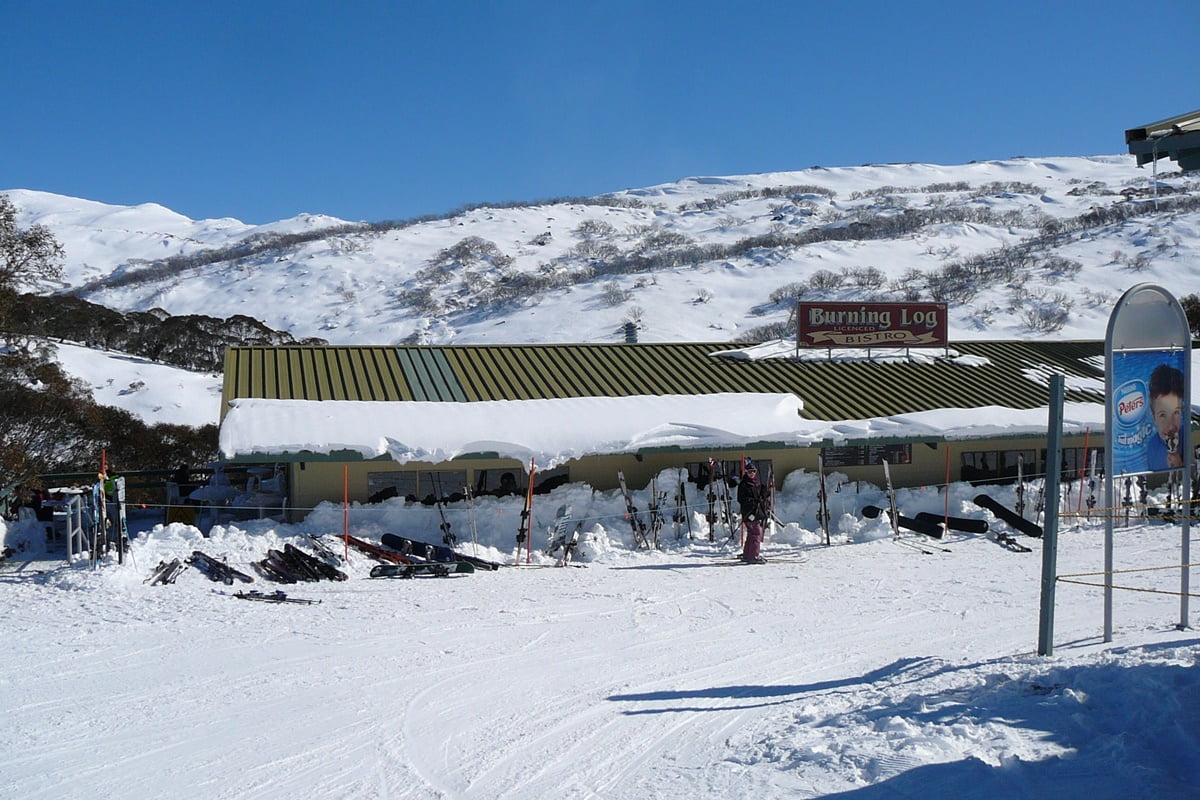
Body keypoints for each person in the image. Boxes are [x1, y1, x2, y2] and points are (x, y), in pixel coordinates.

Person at [1146, 364, 1185, 471]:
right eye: (1163, 415)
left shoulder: (1187, 438)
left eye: (1176, 412)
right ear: (1153, 416)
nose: (1171, 424)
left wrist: (1181, 467)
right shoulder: (1152, 447)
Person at [737, 460, 771, 563]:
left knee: (752, 533)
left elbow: (761, 495)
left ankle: (748, 554)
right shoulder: (744, 484)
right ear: (746, 472)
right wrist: (752, 501)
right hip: (749, 512)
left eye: (753, 471)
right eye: (750, 472)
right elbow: (741, 499)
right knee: (756, 533)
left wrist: (764, 493)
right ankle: (753, 556)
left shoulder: (755, 483)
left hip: (756, 512)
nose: (752, 473)